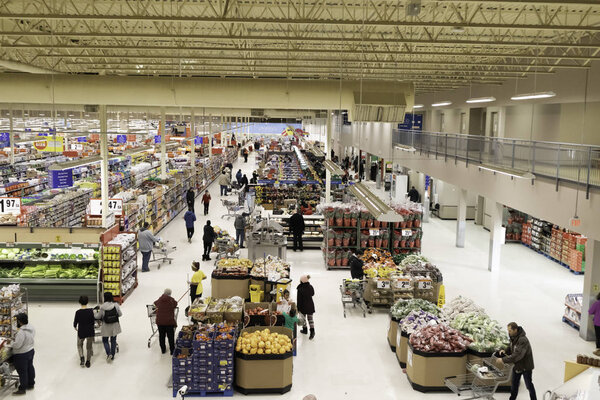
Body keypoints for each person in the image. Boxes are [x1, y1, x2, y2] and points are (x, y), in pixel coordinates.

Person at [496, 322, 537, 400]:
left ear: (515, 330)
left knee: (528, 385)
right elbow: (511, 346)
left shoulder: (523, 340)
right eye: (508, 330)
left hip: (525, 367)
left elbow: (518, 355)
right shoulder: (513, 336)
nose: (509, 332)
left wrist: (503, 360)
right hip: (517, 366)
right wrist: (505, 351)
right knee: (514, 384)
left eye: (510, 330)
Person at [10, 313, 35, 395]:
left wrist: (11, 343)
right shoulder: (31, 327)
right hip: (30, 350)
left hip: (22, 354)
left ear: (20, 321)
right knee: (29, 367)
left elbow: (17, 345)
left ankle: (22, 389)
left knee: (22, 371)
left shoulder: (21, 332)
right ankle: (31, 383)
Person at [94, 292, 122, 362]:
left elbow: (98, 317)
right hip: (115, 326)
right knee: (113, 340)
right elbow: (120, 314)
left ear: (105, 298)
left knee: (105, 340)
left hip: (106, 326)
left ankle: (108, 353)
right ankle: (112, 355)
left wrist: (94, 312)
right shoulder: (116, 305)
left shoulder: (103, 307)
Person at [154, 288, 178, 355]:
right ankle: (172, 351)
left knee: (161, 336)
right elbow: (175, 304)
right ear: (170, 294)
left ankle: (163, 350)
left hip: (160, 322)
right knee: (170, 336)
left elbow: (155, 303)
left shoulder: (160, 298)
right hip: (169, 321)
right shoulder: (171, 299)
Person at [73, 295, 95, 368]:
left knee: (79, 344)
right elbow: (93, 322)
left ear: (79, 302)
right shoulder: (91, 311)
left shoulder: (78, 312)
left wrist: (76, 328)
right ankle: (88, 361)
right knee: (89, 347)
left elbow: (75, 324)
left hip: (81, 331)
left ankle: (82, 357)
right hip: (90, 331)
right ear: (87, 302)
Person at [297, 275, 315, 339]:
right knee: (310, 320)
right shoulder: (310, 287)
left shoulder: (300, 289)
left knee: (303, 319)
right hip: (310, 305)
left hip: (303, 306)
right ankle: (312, 332)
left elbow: (299, 300)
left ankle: (305, 330)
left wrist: (298, 308)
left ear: (301, 281)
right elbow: (313, 294)